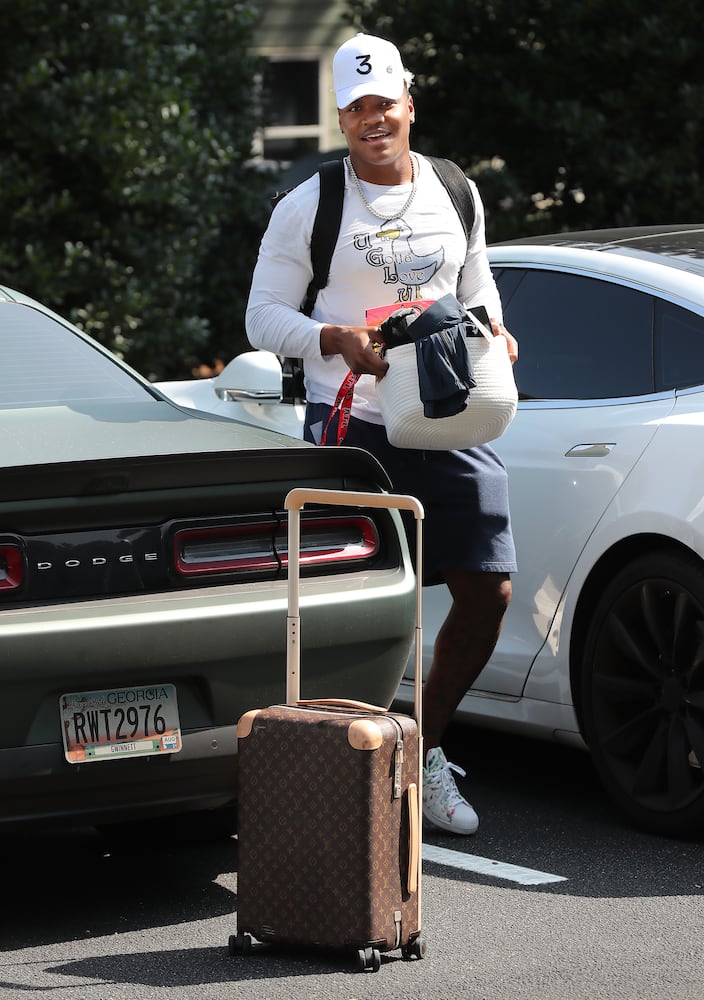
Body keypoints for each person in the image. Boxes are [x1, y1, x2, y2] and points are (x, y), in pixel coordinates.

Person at [246, 32, 518, 836]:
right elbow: (263, 316)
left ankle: (421, 751)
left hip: (448, 413)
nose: (374, 120)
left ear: (409, 105)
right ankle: (344, 775)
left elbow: (477, 286)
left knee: (489, 589)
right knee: (358, 611)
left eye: (385, 105)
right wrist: (333, 340)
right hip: (354, 427)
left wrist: (497, 332)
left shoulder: (454, 188)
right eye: (357, 109)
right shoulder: (311, 205)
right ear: (341, 119)